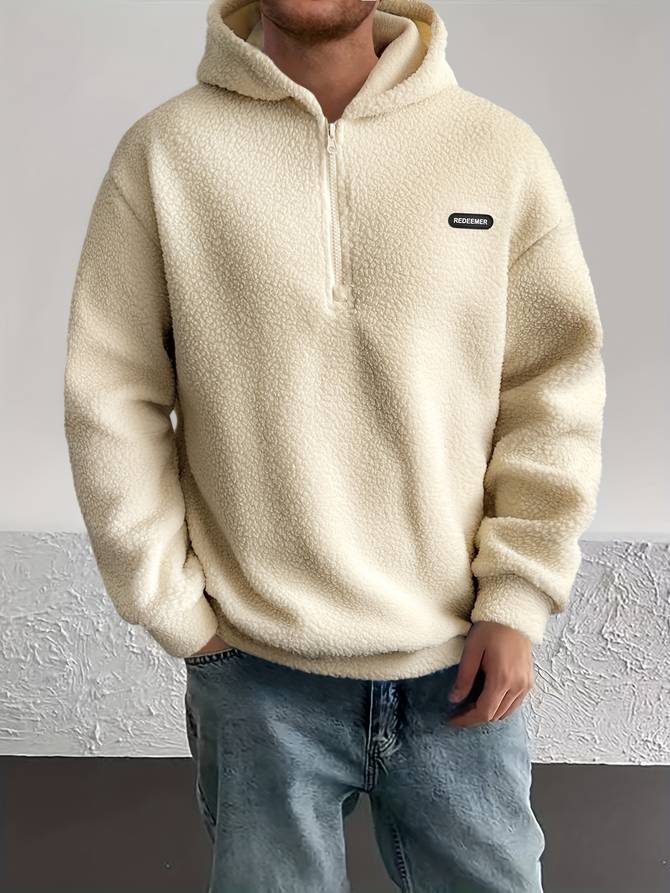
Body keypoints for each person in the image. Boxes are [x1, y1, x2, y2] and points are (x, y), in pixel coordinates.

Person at [63, 0, 606, 890]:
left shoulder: (498, 153)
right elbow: (112, 392)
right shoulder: (166, 155)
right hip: (256, 673)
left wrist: (518, 596)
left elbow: (552, 391)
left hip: (462, 662)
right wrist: (176, 610)